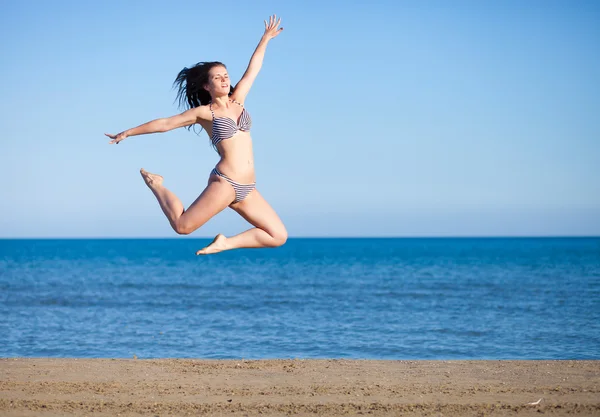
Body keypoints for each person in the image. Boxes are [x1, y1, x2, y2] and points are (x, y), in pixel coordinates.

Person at [105, 15, 287, 255]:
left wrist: (265, 39)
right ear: (206, 86)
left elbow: (253, 69)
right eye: (217, 77)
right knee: (182, 226)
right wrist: (128, 132)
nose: (224, 79)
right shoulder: (205, 113)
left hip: (248, 187)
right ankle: (157, 184)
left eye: (226, 75)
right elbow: (165, 123)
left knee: (277, 235)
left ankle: (226, 243)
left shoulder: (238, 100)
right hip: (226, 182)